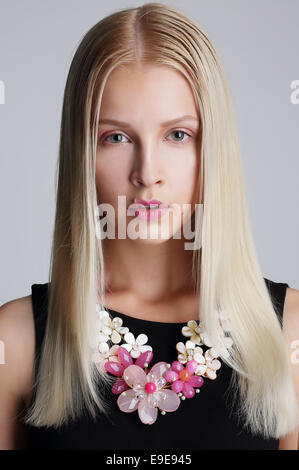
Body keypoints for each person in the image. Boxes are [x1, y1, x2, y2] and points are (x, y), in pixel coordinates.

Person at [0, 2, 298, 450]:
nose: (147, 172)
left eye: (178, 135)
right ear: (82, 151)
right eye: (115, 137)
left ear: (213, 147)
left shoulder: (288, 334)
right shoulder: (17, 341)